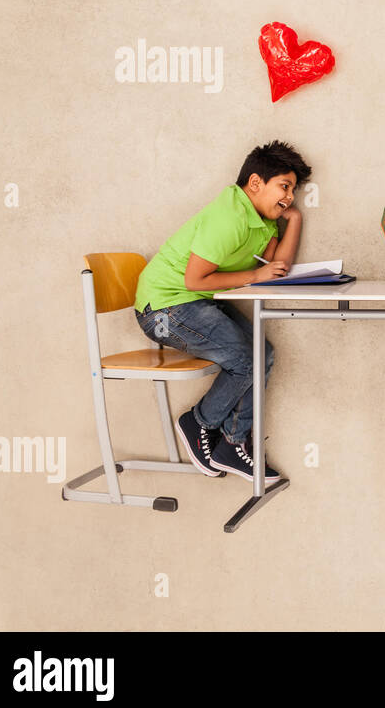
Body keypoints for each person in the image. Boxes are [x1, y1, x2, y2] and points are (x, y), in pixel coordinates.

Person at [133, 140, 312, 482]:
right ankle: (199, 422)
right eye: (284, 187)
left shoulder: (260, 220)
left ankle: (232, 444)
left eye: (292, 190)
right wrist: (255, 275)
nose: (288, 197)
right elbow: (195, 278)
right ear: (256, 183)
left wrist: (296, 219)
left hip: (193, 303)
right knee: (246, 360)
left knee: (264, 352)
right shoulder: (229, 218)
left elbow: (278, 267)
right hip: (163, 309)